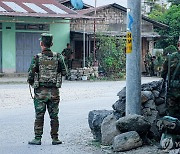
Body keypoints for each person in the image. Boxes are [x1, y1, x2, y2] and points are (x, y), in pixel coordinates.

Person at [27, 33, 67, 145]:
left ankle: (37, 138)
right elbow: (64, 72)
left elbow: (30, 75)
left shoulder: (37, 58)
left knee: (39, 115)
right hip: (54, 91)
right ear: (52, 44)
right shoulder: (58, 56)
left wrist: (33, 84)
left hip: (40, 92)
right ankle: (55, 139)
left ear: (41, 43)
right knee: (54, 116)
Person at [161, 39, 180, 119]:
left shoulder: (170, 58)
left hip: (173, 91)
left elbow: (163, 74)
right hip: (173, 91)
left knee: (171, 116)